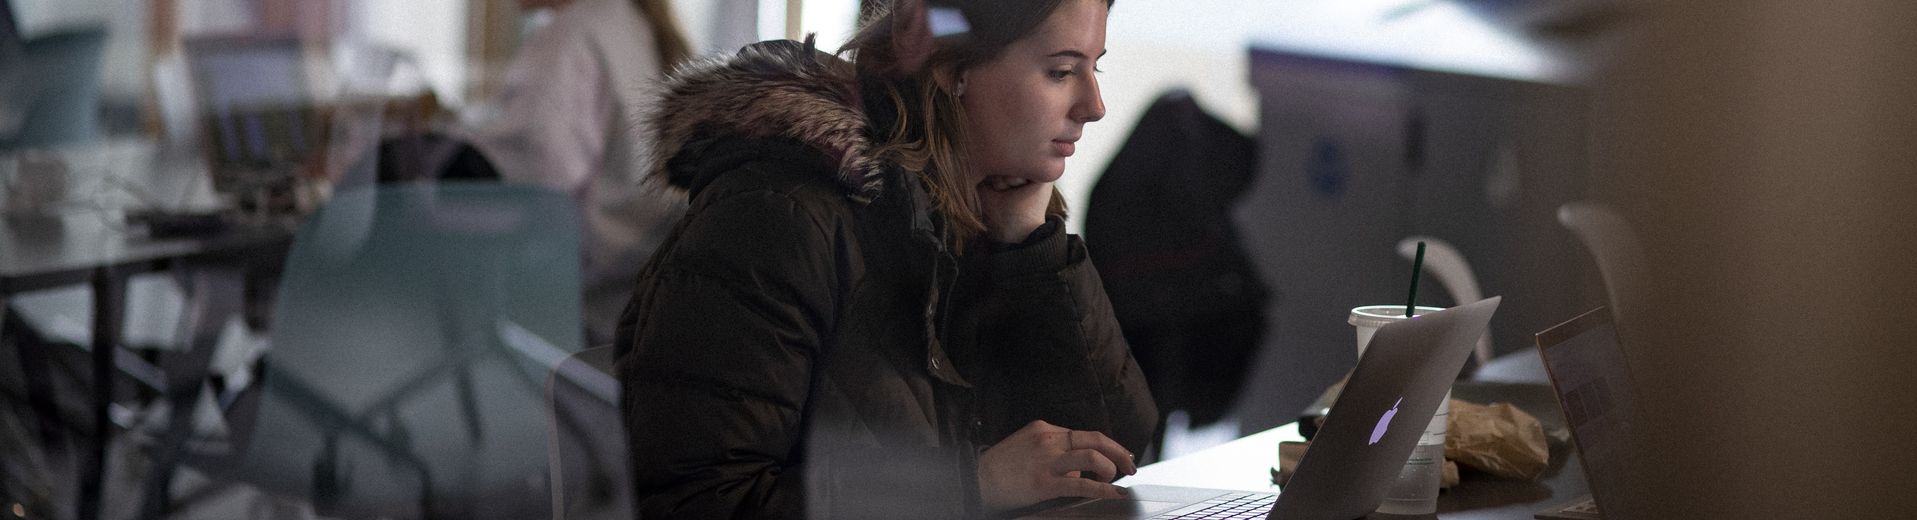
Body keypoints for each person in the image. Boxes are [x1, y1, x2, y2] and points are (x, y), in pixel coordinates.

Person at [613, 0, 1156, 517]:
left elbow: (1111, 451)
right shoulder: (777, 218)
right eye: (1061, 72)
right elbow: (702, 503)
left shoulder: (988, 208)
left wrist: (1031, 249)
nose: (1094, 107)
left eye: (1095, 71)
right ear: (952, 68)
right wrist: (972, 485)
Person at [466, 0, 691, 346]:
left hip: (597, 301)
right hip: (642, 287)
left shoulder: (569, 37)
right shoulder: (628, 19)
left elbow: (536, 186)